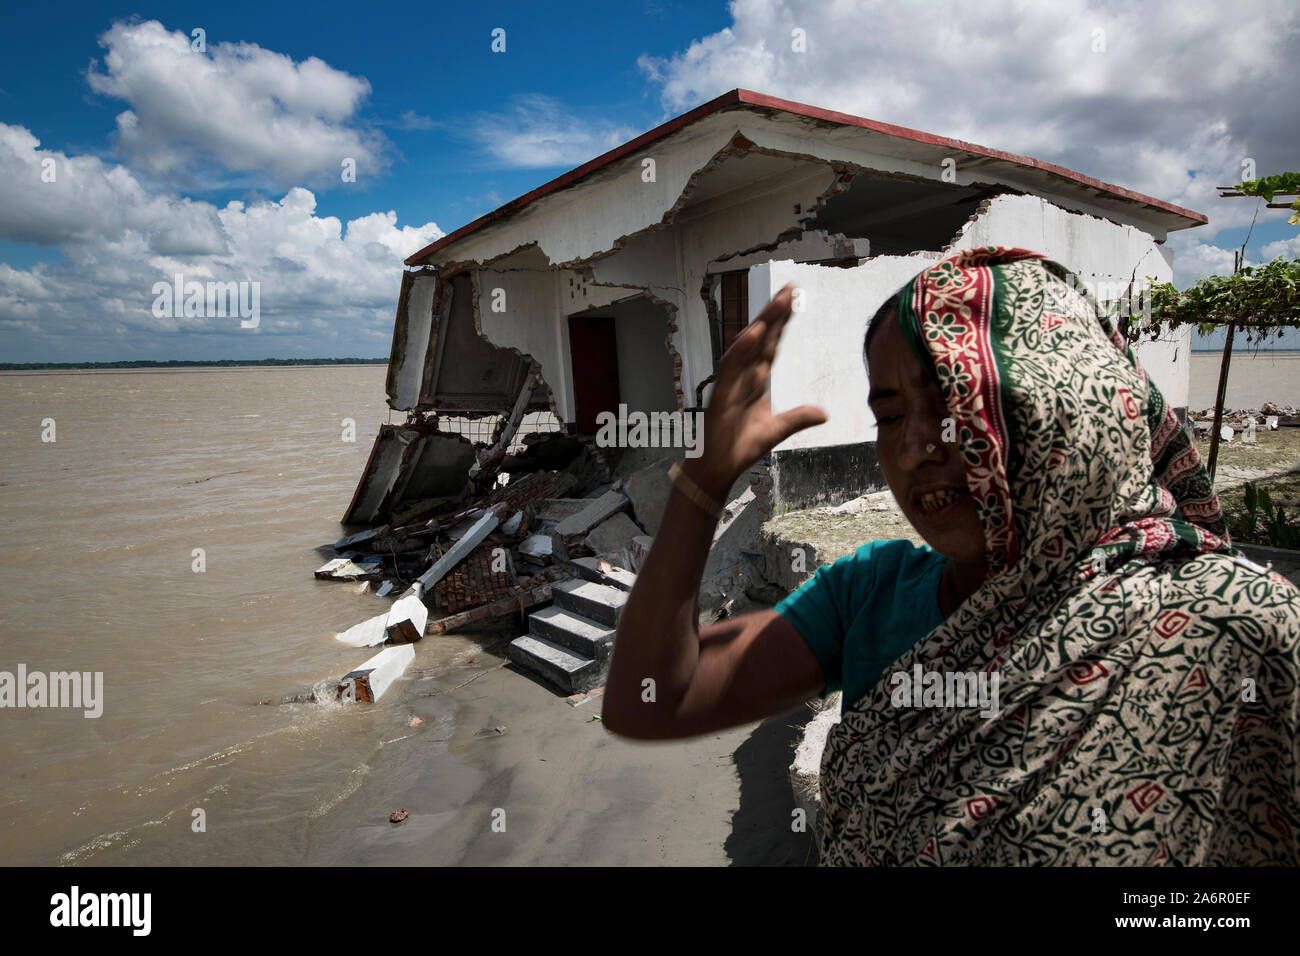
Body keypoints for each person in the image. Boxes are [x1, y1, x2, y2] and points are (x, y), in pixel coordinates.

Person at [602, 245, 1300, 865]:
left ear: (1073, 403)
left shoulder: (1235, 623)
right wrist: (701, 485)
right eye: (889, 415)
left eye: (955, 400)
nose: (914, 448)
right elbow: (649, 701)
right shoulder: (870, 595)